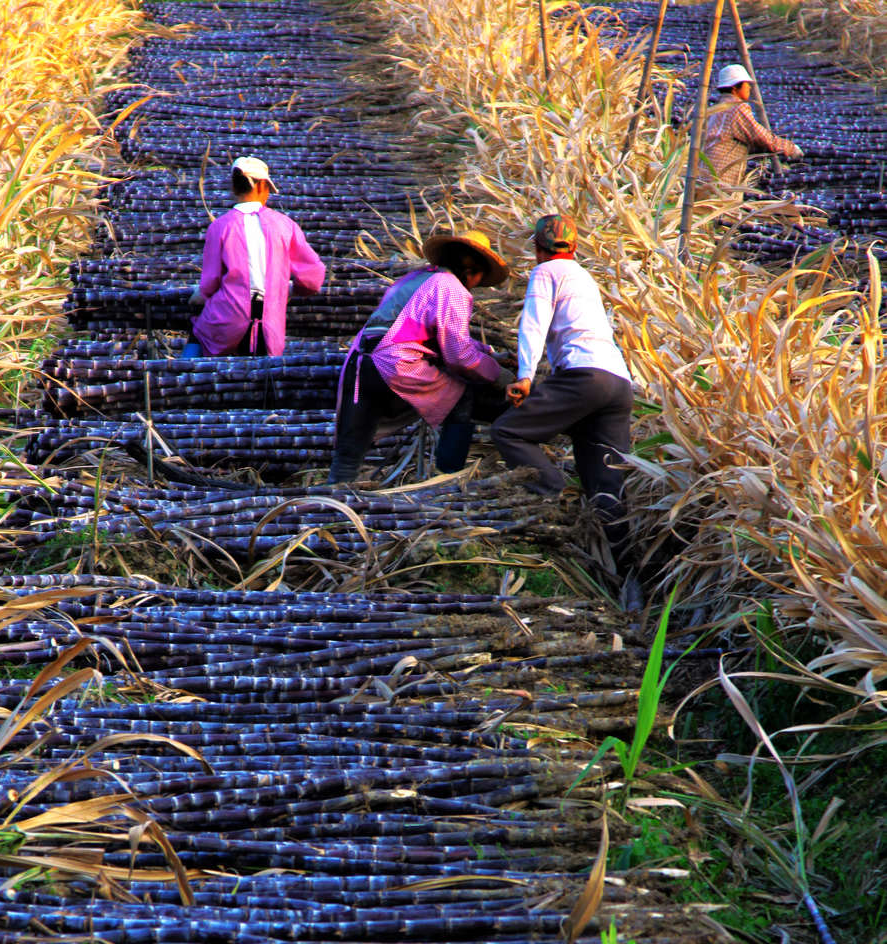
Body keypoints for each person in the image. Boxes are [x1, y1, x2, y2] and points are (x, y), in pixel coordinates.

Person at [490, 214, 640, 609]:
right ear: (574, 247)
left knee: (509, 432)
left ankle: (555, 499)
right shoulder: (583, 276)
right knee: (607, 490)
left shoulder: (546, 272)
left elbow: (533, 326)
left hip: (583, 376)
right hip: (618, 384)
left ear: (539, 249)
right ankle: (633, 585)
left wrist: (524, 377)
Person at [327, 229, 515, 484]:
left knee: (350, 451)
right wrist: (497, 374)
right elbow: (458, 355)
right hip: (398, 364)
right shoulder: (452, 288)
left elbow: (430, 332)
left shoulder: (411, 280)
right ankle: (448, 482)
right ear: (471, 271)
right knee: (460, 399)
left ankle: (335, 503)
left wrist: (490, 353)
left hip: (361, 362)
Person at [185, 155, 325, 358]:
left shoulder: (221, 226)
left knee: (199, 335)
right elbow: (313, 277)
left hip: (226, 320)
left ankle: (180, 374)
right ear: (261, 186)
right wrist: (290, 289)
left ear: (234, 187)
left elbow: (210, 283)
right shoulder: (284, 225)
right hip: (269, 325)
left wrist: (197, 297)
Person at [701, 63, 802, 190]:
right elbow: (760, 137)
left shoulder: (716, 108)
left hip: (705, 175)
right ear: (735, 88)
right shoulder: (736, 108)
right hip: (722, 178)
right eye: (746, 84)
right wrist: (791, 149)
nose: (749, 87)